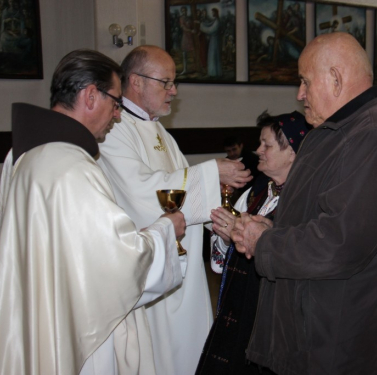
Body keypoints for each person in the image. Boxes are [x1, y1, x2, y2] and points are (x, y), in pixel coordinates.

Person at [231, 32, 377, 375]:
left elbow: (339, 245)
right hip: (307, 331)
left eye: (305, 81)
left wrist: (265, 243)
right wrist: (272, 226)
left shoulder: (375, 136)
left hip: (336, 342)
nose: (300, 93)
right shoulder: (330, 133)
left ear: (336, 78)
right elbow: (317, 219)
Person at [0, 49, 186, 375]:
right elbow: (119, 264)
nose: (117, 115)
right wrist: (166, 230)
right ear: (89, 96)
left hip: (35, 313)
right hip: (76, 324)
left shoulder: (19, 156)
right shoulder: (71, 166)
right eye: (115, 103)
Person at [97, 45, 251, 375]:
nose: (174, 91)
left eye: (174, 82)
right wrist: (212, 172)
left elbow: (183, 187)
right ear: (136, 82)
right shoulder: (114, 129)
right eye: (166, 82)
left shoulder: (158, 131)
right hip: (152, 278)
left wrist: (229, 214)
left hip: (183, 273)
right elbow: (141, 194)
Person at [197, 110, 309, 375]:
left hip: (275, 316)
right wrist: (225, 238)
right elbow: (222, 264)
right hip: (240, 304)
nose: (258, 150)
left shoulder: (305, 202)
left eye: (266, 145)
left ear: (292, 152)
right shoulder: (255, 191)